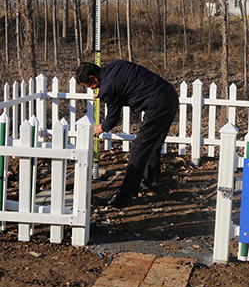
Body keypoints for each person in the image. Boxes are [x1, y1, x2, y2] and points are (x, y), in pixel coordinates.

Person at [76, 60, 179, 208]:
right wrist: (105, 95)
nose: (93, 89)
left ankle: (125, 195)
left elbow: (113, 117)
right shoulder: (114, 65)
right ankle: (151, 182)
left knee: (139, 146)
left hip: (158, 104)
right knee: (153, 143)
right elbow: (124, 88)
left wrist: (102, 127)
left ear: (93, 78)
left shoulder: (108, 87)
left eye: (90, 86)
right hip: (168, 96)